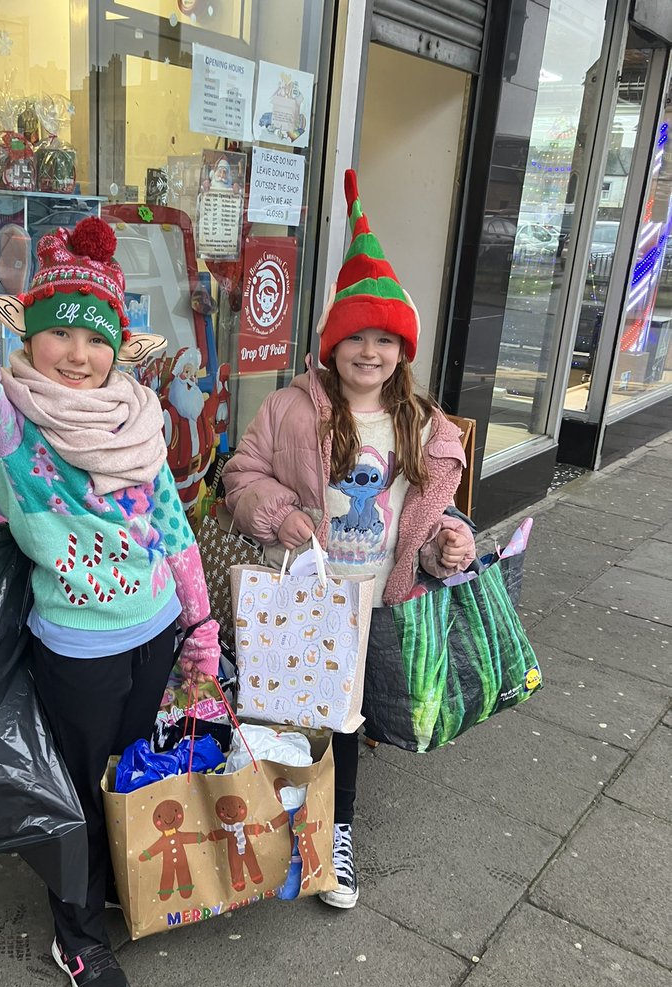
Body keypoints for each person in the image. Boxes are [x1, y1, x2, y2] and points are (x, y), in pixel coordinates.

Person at [0, 217, 220, 987]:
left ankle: (115, 887)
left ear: (120, 348)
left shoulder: (139, 417)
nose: (78, 356)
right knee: (74, 794)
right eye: (58, 335)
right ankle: (75, 931)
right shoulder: (10, 429)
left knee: (123, 776)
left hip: (154, 626)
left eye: (95, 340)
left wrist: (199, 624)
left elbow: (173, 524)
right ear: (32, 338)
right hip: (78, 646)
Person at [222, 170, 476, 911]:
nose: (370, 352)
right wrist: (277, 511)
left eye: (385, 340)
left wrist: (444, 548)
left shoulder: (420, 422)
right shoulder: (288, 409)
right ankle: (275, 825)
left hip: (374, 603)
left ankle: (335, 835)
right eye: (355, 338)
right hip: (303, 593)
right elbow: (240, 478)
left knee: (344, 718)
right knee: (285, 713)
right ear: (332, 346)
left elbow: (427, 513)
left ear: (403, 350)